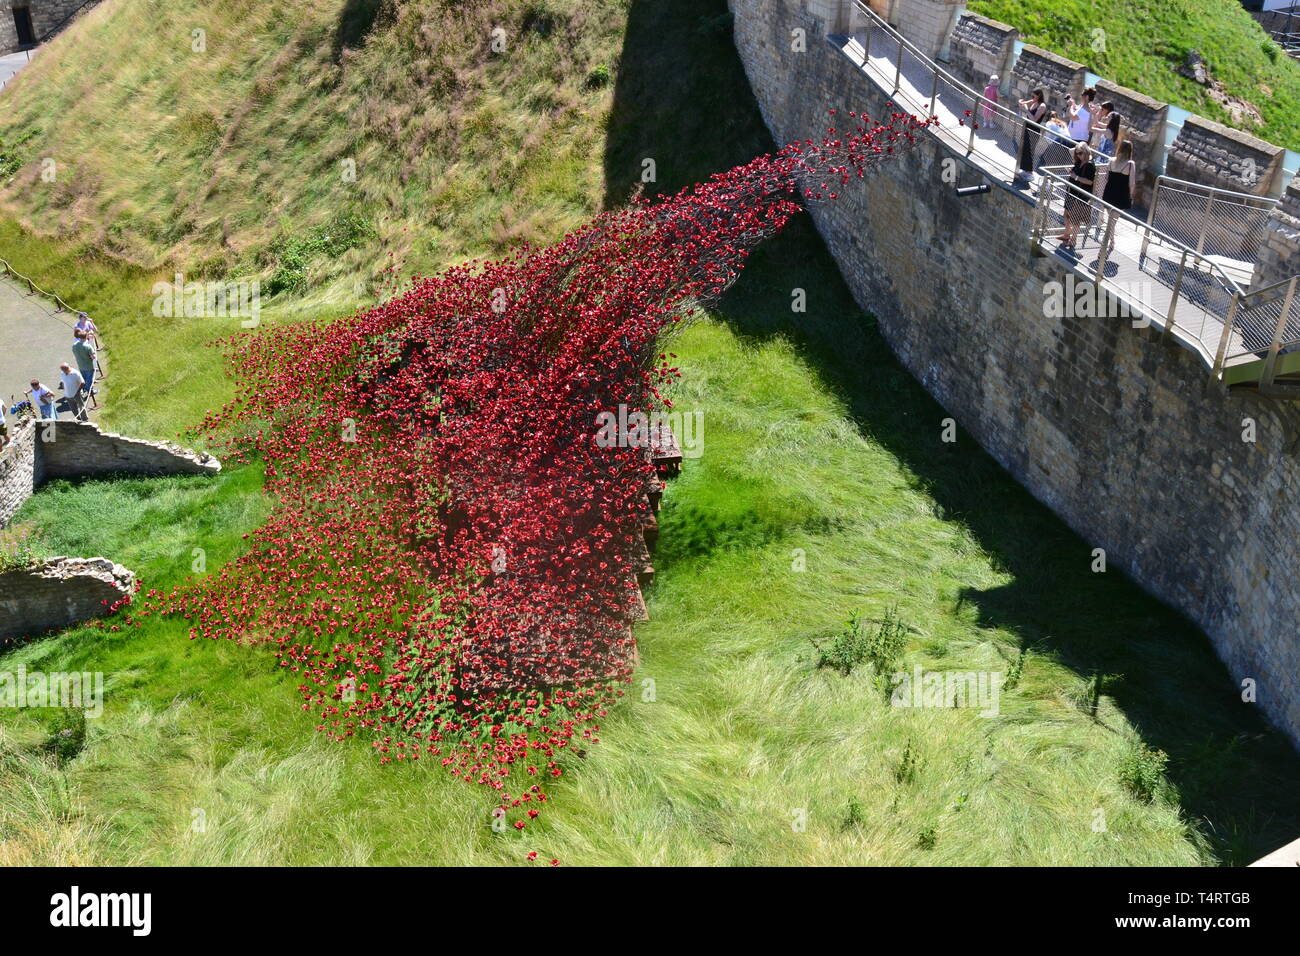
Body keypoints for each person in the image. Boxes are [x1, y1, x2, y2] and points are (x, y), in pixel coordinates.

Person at [1059, 142, 1097, 250]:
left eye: (1081, 153)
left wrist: (1075, 177)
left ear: (1086, 152)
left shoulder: (1089, 165)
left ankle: (1073, 240)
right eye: (1077, 153)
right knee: (1066, 214)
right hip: (1071, 192)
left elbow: (1090, 182)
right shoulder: (1078, 161)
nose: (1078, 155)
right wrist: (1076, 150)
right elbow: (1071, 151)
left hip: (1080, 196)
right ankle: (1067, 235)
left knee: (1075, 219)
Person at [1016, 89, 1048, 180]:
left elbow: (1034, 119)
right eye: (1031, 96)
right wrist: (1021, 102)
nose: (1032, 98)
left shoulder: (1042, 105)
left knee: (1030, 150)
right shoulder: (1033, 101)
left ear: (1039, 96)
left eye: (1033, 96)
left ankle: (1030, 172)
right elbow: (1022, 103)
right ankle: (1025, 170)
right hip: (1027, 127)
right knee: (1024, 149)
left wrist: (1026, 110)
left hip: (1033, 130)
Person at [72, 328, 97, 397]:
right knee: (89, 381)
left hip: (80, 366)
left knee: (84, 378)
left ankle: (86, 389)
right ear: (86, 336)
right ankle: (90, 391)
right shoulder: (88, 346)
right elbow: (93, 357)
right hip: (89, 366)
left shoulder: (74, 345)